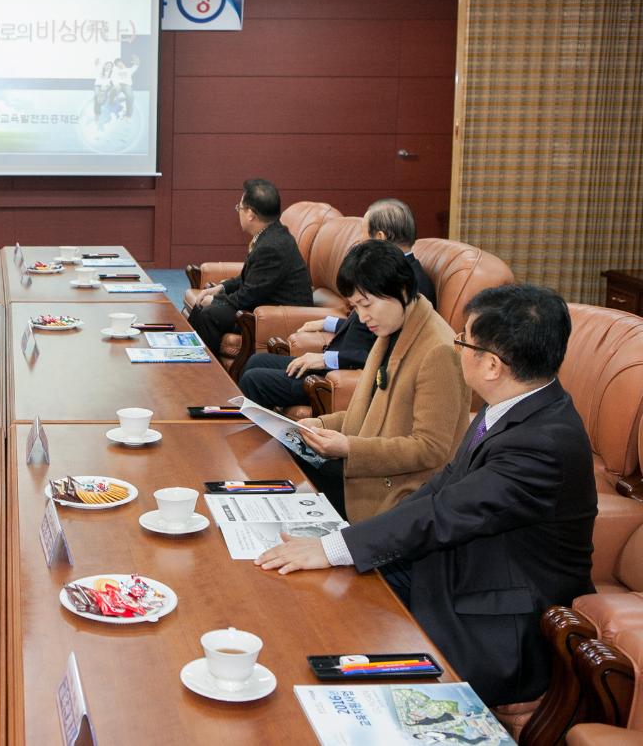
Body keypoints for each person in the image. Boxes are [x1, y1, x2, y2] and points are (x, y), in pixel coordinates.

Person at [255, 284, 596, 708]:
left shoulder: (543, 443)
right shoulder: (513, 405)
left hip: (497, 620)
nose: (456, 349)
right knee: (314, 590)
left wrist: (334, 547)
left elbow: (445, 511)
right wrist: (350, 538)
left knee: (334, 628)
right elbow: (444, 485)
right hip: (453, 567)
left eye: (464, 340)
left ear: (491, 364)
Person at [282, 240, 469, 520]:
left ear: (402, 290)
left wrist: (349, 448)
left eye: (366, 304)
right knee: (292, 451)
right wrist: (318, 425)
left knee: (297, 483)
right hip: (373, 467)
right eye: (356, 306)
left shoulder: (439, 350)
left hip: (403, 490)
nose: (362, 316)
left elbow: (431, 449)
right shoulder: (392, 330)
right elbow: (370, 412)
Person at [238, 198, 436, 410]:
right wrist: (329, 323)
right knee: (256, 362)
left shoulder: (408, 283)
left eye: (362, 234)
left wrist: (326, 360)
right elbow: (368, 323)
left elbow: (390, 350)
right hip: (336, 362)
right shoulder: (386, 270)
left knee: (254, 379)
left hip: (343, 373)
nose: (359, 243)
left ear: (380, 237)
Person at [189, 179, 313, 354]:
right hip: (265, 304)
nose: (238, 212)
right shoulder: (271, 234)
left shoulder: (272, 246)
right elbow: (250, 278)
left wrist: (216, 301)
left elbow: (249, 296)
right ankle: (185, 356)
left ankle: (201, 369)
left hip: (277, 316)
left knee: (209, 314)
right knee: (204, 307)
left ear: (250, 214)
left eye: (239, 208)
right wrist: (221, 288)